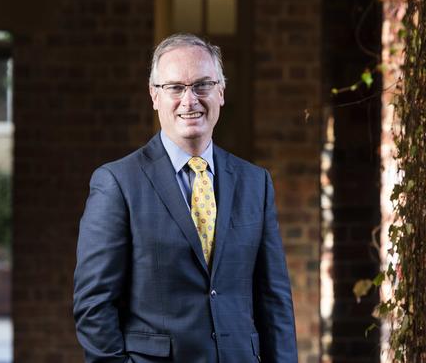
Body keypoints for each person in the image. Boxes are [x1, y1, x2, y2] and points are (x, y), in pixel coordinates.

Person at [73, 33, 298, 363]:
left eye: (202, 85)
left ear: (221, 92)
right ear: (154, 96)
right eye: (175, 87)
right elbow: (93, 306)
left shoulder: (255, 183)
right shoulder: (118, 184)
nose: (189, 100)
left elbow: (275, 300)